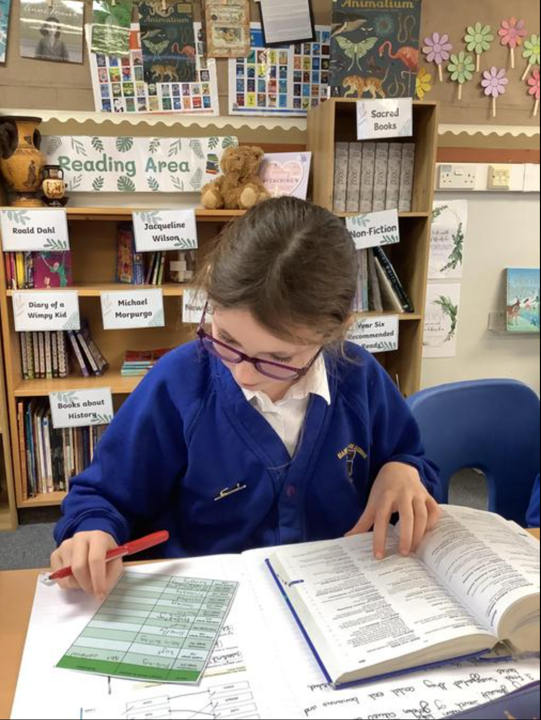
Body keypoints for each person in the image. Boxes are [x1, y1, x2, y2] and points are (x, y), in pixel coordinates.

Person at [51, 198, 442, 599]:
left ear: (336, 329)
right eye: (226, 339)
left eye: (278, 358)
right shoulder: (180, 382)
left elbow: (417, 469)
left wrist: (404, 469)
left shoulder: (359, 377)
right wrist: (91, 531)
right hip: (208, 599)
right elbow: (102, 495)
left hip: (337, 596)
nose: (243, 374)